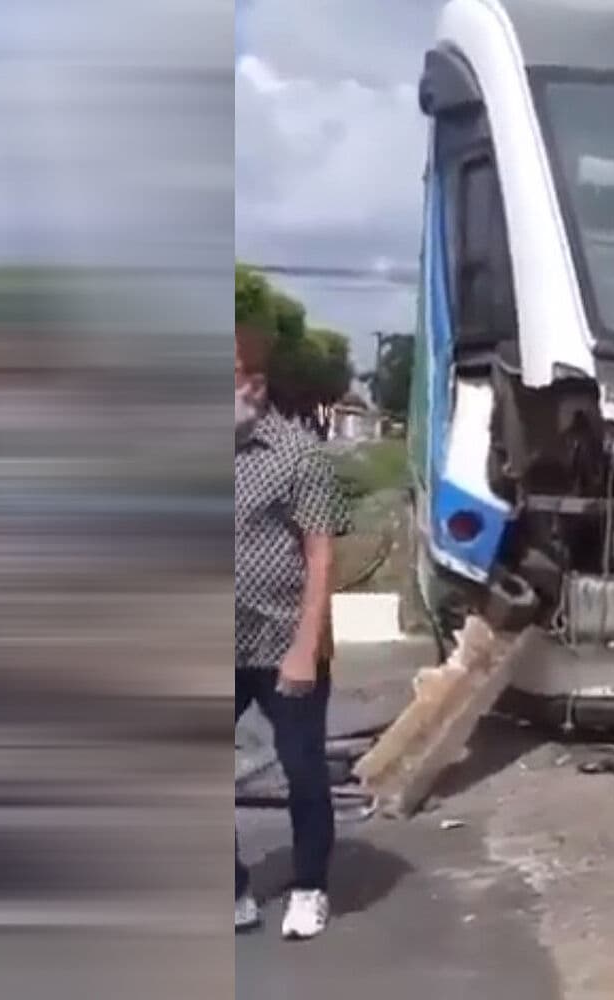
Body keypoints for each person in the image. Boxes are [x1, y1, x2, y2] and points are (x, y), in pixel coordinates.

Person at [234, 324, 350, 939]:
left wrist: (306, 648)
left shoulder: (299, 456)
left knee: (302, 768)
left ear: (252, 385)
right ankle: (231, 890)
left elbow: (321, 557)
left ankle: (310, 886)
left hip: (283, 642)